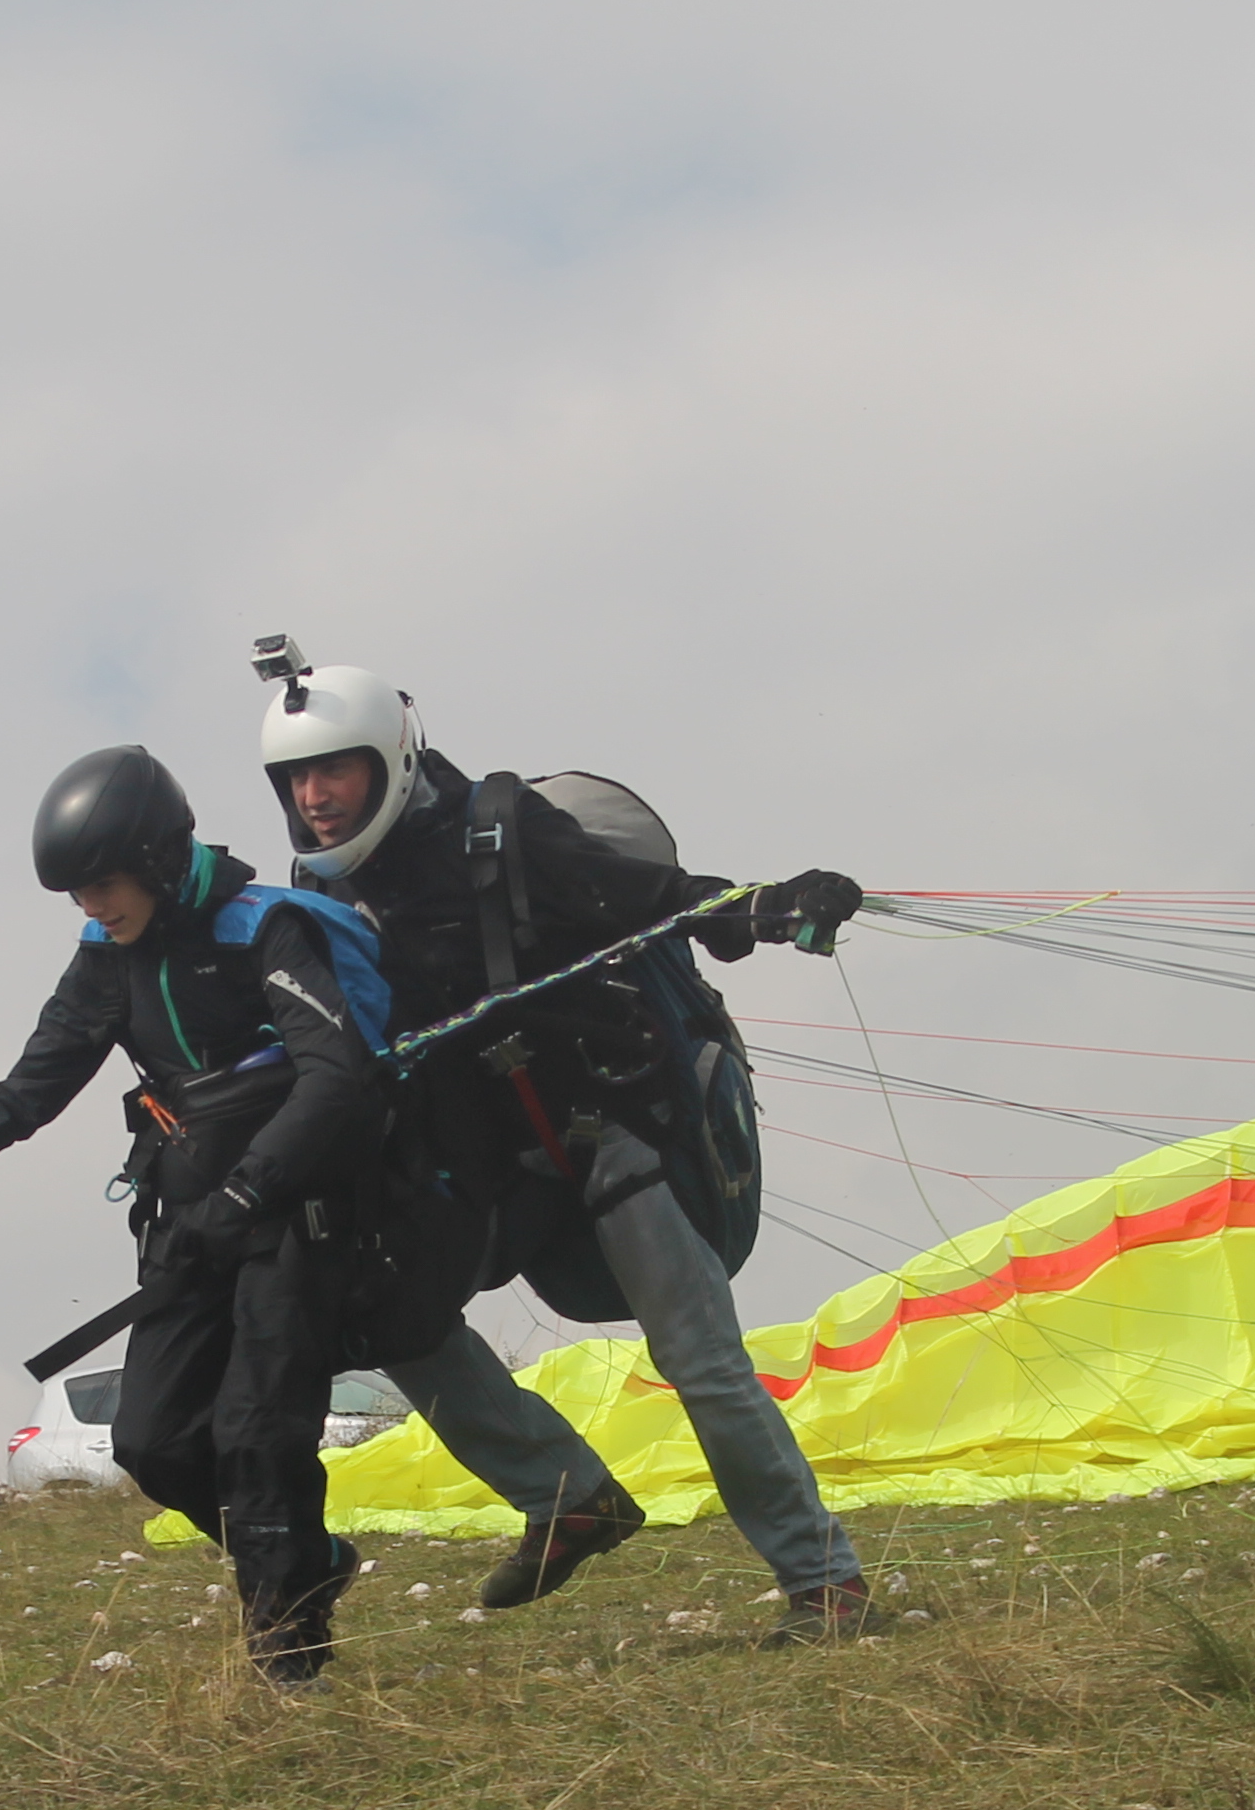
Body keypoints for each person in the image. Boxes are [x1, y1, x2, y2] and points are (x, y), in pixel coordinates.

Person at [253, 655, 876, 1643]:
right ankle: (568, 1495)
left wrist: (762, 905)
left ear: (391, 760)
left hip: (614, 1125)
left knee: (699, 1359)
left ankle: (825, 1582)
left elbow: (647, 893)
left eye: (337, 770)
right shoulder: (326, 898)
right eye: (296, 778)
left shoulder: (497, 831)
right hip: (493, 1162)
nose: (315, 797)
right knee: (387, 1310)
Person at [0, 746, 389, 1686]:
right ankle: (306, 1564)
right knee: (151, 1440)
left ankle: (290, 1667)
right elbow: (34, 1086)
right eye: (75, 894)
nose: (92, 908)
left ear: (154, 860)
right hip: (187, 1226)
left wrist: (251, 1189)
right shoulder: (106, 961)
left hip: (293, 1217)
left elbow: (337, 1075)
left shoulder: (263, 929)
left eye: (102, 885)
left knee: (256, 1434)